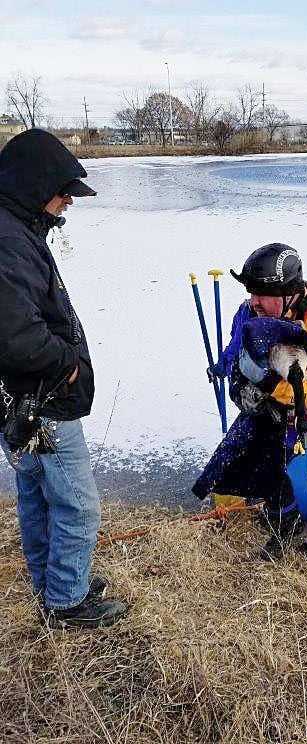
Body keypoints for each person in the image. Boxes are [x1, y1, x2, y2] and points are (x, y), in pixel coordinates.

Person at [0, 129, 128, 628]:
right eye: (63, 194)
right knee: (76, 504)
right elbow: (14, 335)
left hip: (23, 400)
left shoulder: (15, 229)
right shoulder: (8, 240)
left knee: (37, 496)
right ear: (35, 186)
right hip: (42, 400)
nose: (66, 207)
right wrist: (65, 364)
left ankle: (54, 584)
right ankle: (68, 603)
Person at [193, 243, 307, 560]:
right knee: (267, 470)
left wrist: (268, 381)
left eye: (262, 294)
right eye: (251, 293)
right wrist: (226, 366)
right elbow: (238, 344)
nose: (253, 302)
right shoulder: (254, 311)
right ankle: (284, 529)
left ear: (288, 293)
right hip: (283, 410)